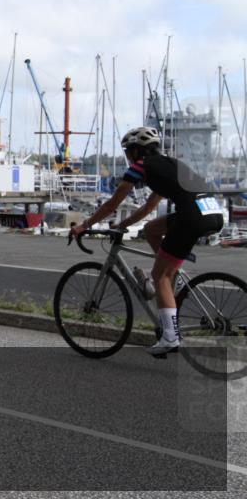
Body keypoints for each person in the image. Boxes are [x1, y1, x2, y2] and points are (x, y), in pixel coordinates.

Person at [69, 126, 224, 357]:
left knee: (159, 276)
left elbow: (112, 204)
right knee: (151, 230)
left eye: (128, 151)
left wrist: (84, 225)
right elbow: (150, 207)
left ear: (135, 151)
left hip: (191, 216)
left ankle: (170, 337)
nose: (128, 156)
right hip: (212, 213)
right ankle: (176, 279)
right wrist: (123, 225)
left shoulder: (140, 167)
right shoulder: (168, 165)